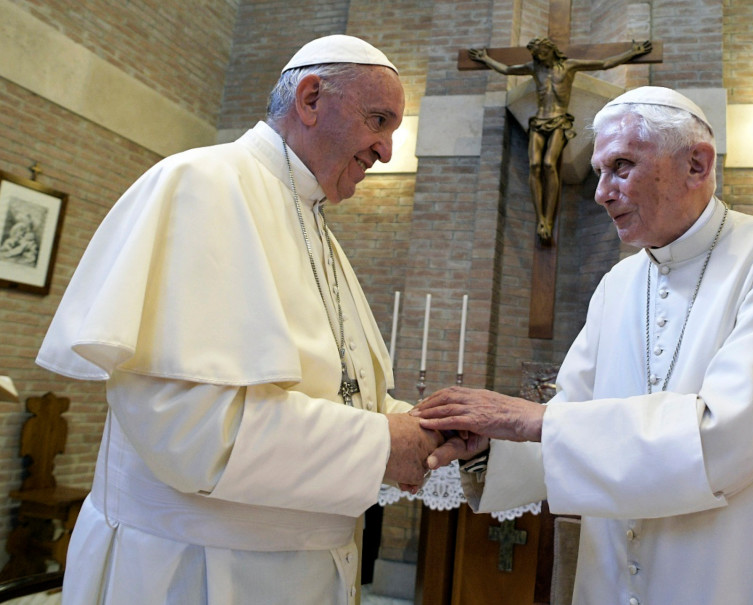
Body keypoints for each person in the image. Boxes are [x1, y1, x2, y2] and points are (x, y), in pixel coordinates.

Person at [415, 87, 753, 604]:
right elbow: (573, 418)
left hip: (749, 577)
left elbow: (727, 437)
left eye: (622, 166)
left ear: (697, 164)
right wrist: (489, 450)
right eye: (599, 172)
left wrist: (534, 420)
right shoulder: (618, 283)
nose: (601, 193)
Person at [36, 35, 446, 604]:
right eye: (378, 121)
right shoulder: (203, 185)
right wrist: (381, 443)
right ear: (309, 99)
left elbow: (337, 395)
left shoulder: (314, 226)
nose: (386, 151)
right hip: (191, 574)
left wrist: (426, 425)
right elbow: (192, 430)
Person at [469, 37, 652, 243]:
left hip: (558, 122)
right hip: (538, 121)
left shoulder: (569, 67)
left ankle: (548, 218)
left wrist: (632, 53)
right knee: (535, 165)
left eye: (542, 53)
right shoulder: (534, 68)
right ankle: (543, 219)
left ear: (551, 51)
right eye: (536, 55)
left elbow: (604, 63)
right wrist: (485, 59)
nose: (539, 58)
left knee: (549, 164)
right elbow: (506, 70)